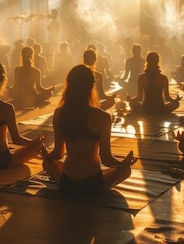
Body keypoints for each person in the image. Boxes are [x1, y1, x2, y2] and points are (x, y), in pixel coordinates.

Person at [42, 64, 137, 194]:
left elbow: (58, 153)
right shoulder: (103, 117)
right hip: (94, 184)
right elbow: (106, 159)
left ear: (69, 85)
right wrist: (124, 163)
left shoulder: (60, 113)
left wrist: (46, 155)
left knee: (47, 163)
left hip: (67, 183)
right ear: (91, 86)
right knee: (125, 171)